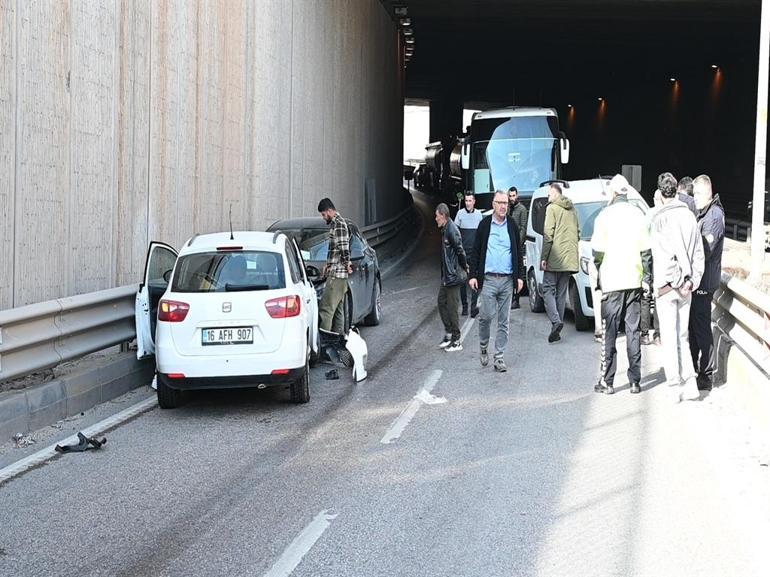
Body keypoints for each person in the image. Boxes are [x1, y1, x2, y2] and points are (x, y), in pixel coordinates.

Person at [591, 175, 652, 395]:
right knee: (633, 332)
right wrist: (646, 278)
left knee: (610, 334)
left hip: (611, 283)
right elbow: (646, 252)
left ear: (614, 193)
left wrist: (599, 272)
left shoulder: (604, 216)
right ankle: (635, 381)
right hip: (634, 283)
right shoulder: (639, 215)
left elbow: (597, 252)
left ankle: (608, 382)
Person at [650, 173, 705, 402]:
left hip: (666, 287)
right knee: (683, 335)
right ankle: (691, 385)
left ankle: (674, 386)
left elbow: (661, 254)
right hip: (687, 287)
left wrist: (673, 281)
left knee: (670, 338)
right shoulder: (690, 216)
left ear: (662, 194)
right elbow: (698, 253)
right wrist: (690, 281)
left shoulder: (658, 218)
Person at [468, 191, 525, 372]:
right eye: (499, 203)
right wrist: (473, 276)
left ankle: (499, 357)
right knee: (485, 317)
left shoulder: (512, 226)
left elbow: (518, 251)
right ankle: (483, 345)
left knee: (503, 321)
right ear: (493, 204)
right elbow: (476, 251)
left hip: (507, 280)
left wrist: (520, 277)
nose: (503, 206)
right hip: (489, 279)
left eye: (506, 203)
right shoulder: (485, 225)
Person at [690, 174, 725, 390]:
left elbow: (705, 251)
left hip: (704, 282)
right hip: (701, 281)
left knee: (701, 328)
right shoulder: (706, 213)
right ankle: (697, 369)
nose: (694, 199)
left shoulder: (713, 216)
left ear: (705, 193)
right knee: (695, 327)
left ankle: (706, 373)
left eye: (695, 194)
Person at [540, 183, 579, 343]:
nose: (548, 198)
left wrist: (543, 257)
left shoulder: (552, 208)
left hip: (554, 258)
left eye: (549, 194)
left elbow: (548, 235)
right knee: (561, 294)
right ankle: (555, 331)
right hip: (569, 259)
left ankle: (556, 322)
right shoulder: (573, 209)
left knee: (548, 290)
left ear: (555, 194)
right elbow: (578, 232)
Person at [435, 203, 468, 352]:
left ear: (443, 215)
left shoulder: (452, 229)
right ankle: (449, 333)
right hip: (447, 276)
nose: (435, 219)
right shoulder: (445, 229)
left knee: (452, 307)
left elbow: (460, 250)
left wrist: (464, 267)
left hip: (453, 275)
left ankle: (456, 340)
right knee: (441, 302)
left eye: (437, 216)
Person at [317, 198, 352, 332]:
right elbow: (336, 249)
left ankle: (325, 344)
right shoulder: (336, 224)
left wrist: (347, 263)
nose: (323, 217)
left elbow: (343, 247)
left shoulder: (339, 224)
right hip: (337, 272)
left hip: (337, 275)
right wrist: (328, 264)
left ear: (330, 211)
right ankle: (339, 342)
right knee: (338, 310)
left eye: (324, 214)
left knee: (326, 310)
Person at [454, 192, 483, 317]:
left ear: (474, 201)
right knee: (462, 281)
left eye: (470, 201)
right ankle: (465, 306)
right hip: (463, 253)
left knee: (474, 280)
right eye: (466, 201)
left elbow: (481, 235)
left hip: (474, 254)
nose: (468, 203)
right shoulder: (460, 214)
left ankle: (473, 307)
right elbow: (455, 233)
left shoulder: (478, 215)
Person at [507, 186, 528, 310]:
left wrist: (517, 244)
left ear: (517, 195)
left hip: (517, 245)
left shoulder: (522, 209)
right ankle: (510, 297)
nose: (512, 198)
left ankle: (516, 298)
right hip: (508, 245)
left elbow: (523, 228)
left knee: (517, 272)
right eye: (510, 196)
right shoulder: (509, 209)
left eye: (514, 196)